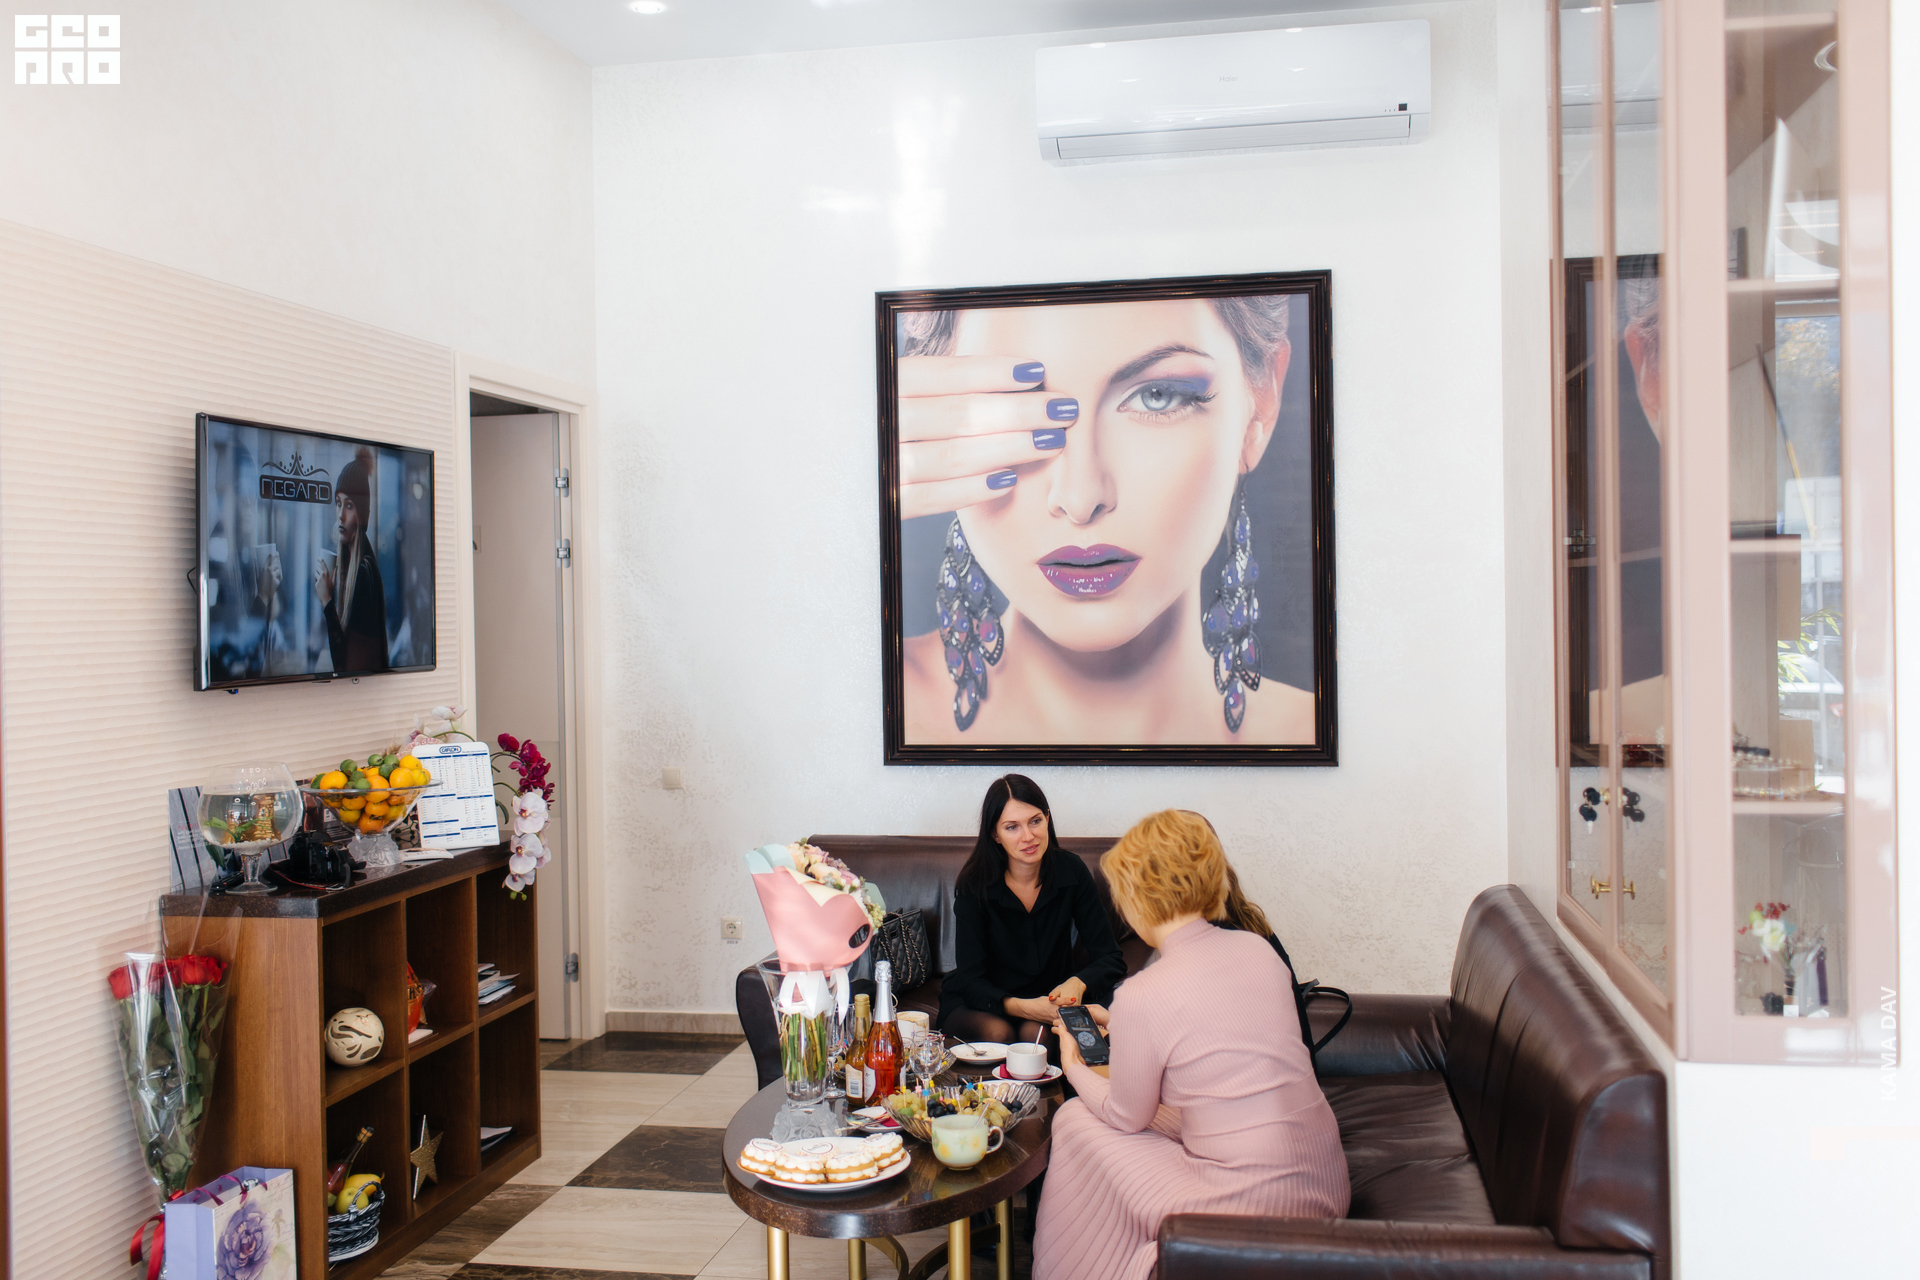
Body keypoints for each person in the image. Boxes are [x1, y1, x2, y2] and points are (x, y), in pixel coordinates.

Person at [897, 295, 1314, 744]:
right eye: (1008, 403)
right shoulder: (857, 708)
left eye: (1158, 397)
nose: (1081, 499)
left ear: (1260, 405)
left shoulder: (1340, 744)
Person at [1034, 810, 1348, 1280]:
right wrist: (1120, 1021)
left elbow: (1126, 1114)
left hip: (1249, 1207)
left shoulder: (1144, 992)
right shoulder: (1259, 950)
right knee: (1151, 1114)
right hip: (1325, 1181)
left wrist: (1072, 1061)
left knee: (1075, 1119)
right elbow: (1216, 1032)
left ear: (1136, 898)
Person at [938, 775, 1126, 1054]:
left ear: (1047, 818)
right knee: (998, 1034)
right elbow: (971, 980)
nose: (1028, 836)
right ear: (995, 834)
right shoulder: (974, 884)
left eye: (1035, 821)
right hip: (986, 1001)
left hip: (1048, 997)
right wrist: (1024, 1007)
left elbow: (1110, 957)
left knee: (1036, 1038)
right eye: (1012, 827)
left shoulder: (1071, 871)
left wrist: (1077, 982)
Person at [313, 445, 390, 674]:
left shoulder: (364, 573)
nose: (340, 515)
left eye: (349, 505)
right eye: (338, 503)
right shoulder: (355, 567)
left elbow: (345, 666)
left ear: (362, 513)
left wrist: (327, 601)